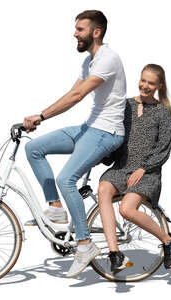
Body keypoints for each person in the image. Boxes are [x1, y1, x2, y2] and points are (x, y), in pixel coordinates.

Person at [22, 10, 127, 278]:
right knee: (34, 148)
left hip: (107, 132)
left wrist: (41, 115)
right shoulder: (89, 61)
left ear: (96, 32)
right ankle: (56, 209)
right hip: (90, 127)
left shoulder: (108, 58)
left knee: (67, 178)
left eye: (80, 29)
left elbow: (79, 95)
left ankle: (85, 244)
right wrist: (41, 117)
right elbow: (72, 92)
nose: (74, 33)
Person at [98, 64, 171, 272]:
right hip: (122, 166)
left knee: (126, 209)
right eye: (143, 80)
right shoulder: (125, 105)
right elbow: (115, 133)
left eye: (151, 83)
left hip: (147, 172)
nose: (145, 85)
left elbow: (164, 146)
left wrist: (144, 168)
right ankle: (115, 254)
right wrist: (102, 154)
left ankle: (169, 240)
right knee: (103, 189)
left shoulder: (163, 112)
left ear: (159, 86)